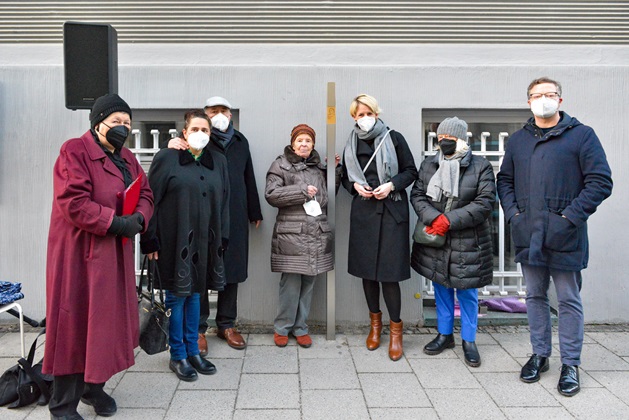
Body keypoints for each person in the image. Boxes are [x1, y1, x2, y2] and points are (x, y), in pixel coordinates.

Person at [497, 77, 612, 396]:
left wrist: (569, 218)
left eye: (550, 94)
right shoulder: (519, 140)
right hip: (528, 233)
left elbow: (600, 182)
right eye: (537, 95)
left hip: (566, 235)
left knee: (567, 300)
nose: (543, 99)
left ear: (560, 100)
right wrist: (514, 215)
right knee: (533, 296)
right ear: (528, 100)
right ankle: (540, 354)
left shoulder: (582, 136)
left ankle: (571, 363)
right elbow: (504, 180)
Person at [44, 94, 154, 419]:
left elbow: (145, 192)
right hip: (79, 255)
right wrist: (116, 222)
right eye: (116, 122)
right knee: (74, 325)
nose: (122, 128)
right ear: (97, 122)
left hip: (114, 253)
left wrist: (140, 219)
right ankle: (62, 406)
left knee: (106, 324)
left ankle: (94, 388)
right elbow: (73, 202)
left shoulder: (127, 157)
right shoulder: (74, 151)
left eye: (127, 124)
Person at [141, 110, 230, 382]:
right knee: (176, 297)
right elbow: (150, 199)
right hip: (173, 240)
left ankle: (194, 351)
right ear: (184, 132)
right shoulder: (167, 158)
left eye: (205, 130)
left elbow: (225, 200)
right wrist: (150, 239)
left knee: (196, 296)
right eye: (195, 129)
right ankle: (177, 354)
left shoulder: (218, 161)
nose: (200, 134)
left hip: (205, 242)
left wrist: (222, 239)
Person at [169, 96, 263, 353]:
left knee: (231, 270)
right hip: (204, 214)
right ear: (205, 115)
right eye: (213, 111)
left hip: (234, 214)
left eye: (223, 111)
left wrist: (254, 210)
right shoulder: (197, 140)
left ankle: (226, 324)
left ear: (230, 115)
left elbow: (248, 176)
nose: (219, 115)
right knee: (201, 269)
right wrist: (175, 144)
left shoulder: (240, 142)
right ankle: (198, 328)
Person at [410, 117, 496, 367]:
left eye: (449, 138)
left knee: (467, 292)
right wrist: (433, 218)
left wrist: (449, 220)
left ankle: (469, 340)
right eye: (440, 138)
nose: (444, 142)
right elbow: (417, 194)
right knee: (441, 287)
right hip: (436, 238)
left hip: (468, 240)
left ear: (461, 139)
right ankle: (444, 334)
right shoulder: (429, 164)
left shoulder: (480, 166)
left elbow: (484, 202)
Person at [341, 94, 418, 361]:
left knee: (389, 274)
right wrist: (355, 187)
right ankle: (375, 326)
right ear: (353, 117)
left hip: (391, 212)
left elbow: (411, 171)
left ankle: (396, 331)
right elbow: (344, 178)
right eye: (359, 115)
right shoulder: (350, 142)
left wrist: (391, 185)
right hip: (364, 212)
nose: (364, 118)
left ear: (376, 112)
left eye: (368, 113)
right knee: (367, 274)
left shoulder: (393, 137)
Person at [265, 124, 338, 348]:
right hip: (292, 235)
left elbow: (326, 197)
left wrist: (335, 171)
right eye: (300, 140)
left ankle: (301, 327)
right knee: (290, 284)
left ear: (313, 144)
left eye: (308, 140)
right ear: (292, 143)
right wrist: (301, 192)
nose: (304, 144)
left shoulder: (318, 169)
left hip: (316, 234)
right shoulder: (280, 165)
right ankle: (282, 328)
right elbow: (272, 194)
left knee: (309, 284)